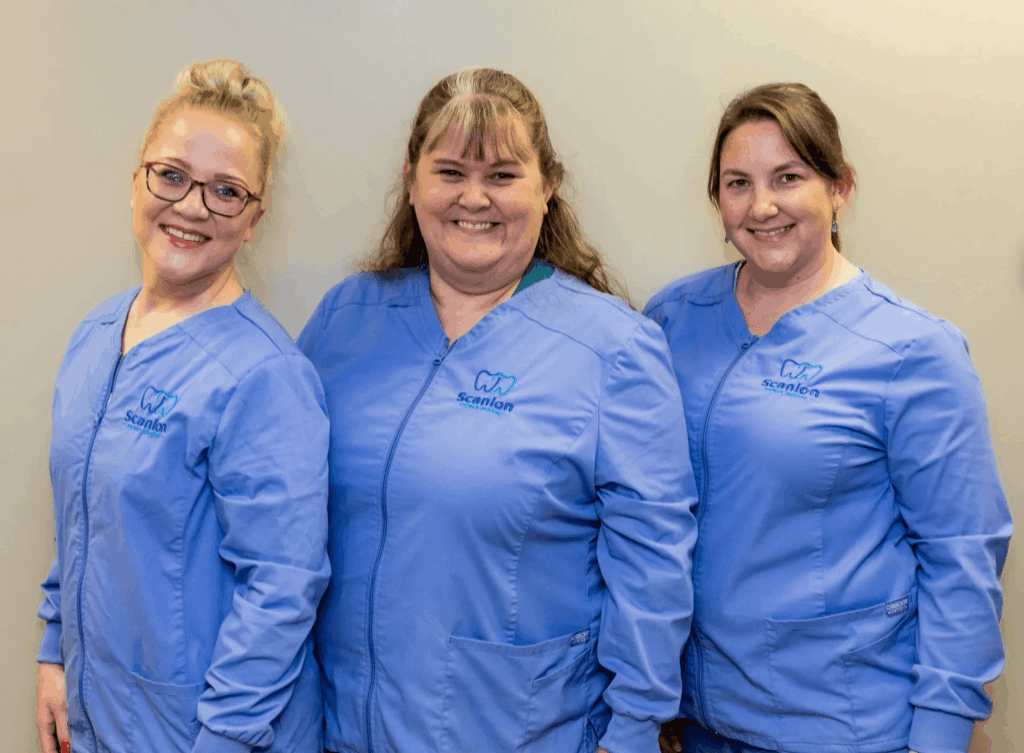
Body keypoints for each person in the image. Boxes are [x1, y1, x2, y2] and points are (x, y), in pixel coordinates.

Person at [298, 67, 698, 753]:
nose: (474, 197)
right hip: (339, 731)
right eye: (450, 171)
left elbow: (654, 572)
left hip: (520, 732)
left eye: (503, 175)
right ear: (411, 181)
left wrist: (632, 732)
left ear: (548, 186)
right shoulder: (346, 318)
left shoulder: (613, 348)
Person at [646, 82, 1012, 753]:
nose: (762, 206)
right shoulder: (673, 318)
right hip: (696, 727)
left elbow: (961, 560)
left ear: (840, 187)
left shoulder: (912, 351)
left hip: (845, 729)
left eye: (788, 177)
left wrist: (941, 737)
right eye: (737, 183)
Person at [34, 60, 330, 753]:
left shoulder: (265, 376)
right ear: (136, 180)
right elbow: (79, 519)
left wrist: (224, 738)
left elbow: (281, 591)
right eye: (171, 175)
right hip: (103, 715)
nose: (193, 207)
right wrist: (55, 651)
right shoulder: (95, 335)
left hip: (207, 732)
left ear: (254, 219)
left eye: (226, 191)